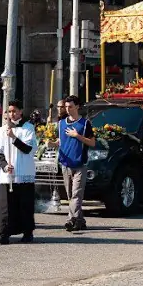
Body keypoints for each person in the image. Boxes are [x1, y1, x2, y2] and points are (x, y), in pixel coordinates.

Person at [0, 100, 37, 245]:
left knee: (24, 205)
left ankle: (27, 233)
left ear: (20, 112)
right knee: (5, 207)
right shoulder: (0, 131)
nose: (12, 114)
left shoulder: (28, 128)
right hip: (7, 175)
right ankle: (4, 234)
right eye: (9, 111)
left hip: (24, 173)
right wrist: (5, 166)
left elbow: (28, 149)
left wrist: (14, 138)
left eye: (14, 111)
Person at [57, 95, 96, 231]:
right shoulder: (61, 123)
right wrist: (52, 143)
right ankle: (80, 221)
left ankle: (71, 220)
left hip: (80, 164)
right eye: (66, 107)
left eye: (71, 106)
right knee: (70, 195)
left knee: (76, 194)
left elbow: (92, 142)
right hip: (66, 163)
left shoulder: (85, 124)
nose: (68, 109)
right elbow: (61, 141)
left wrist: (77, 136)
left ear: (77, 107)